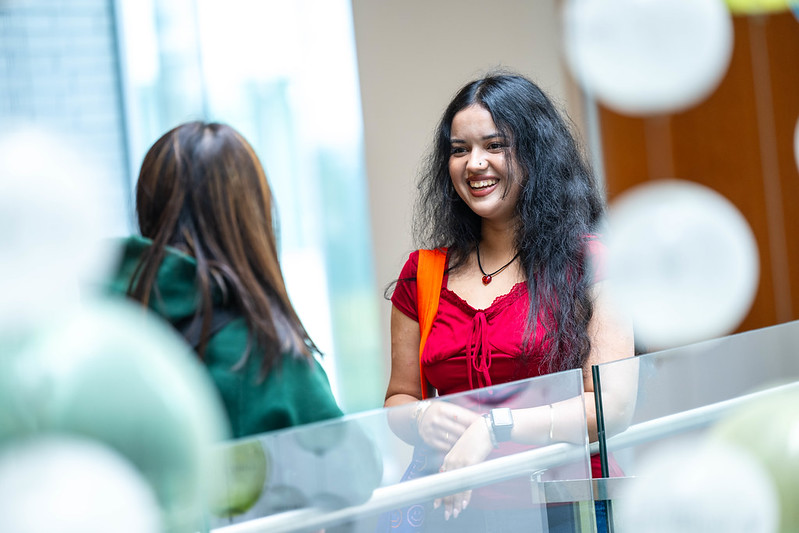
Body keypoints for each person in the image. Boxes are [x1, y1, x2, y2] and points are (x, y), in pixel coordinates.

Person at [384, 73, 636, 531]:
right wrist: (421, 416)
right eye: (459, 150)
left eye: (494, 145)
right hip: (457, 514)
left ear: (535, 153)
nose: (474, 164)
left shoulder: (593, 263)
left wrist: (494, 427)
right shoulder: (422, 273)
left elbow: (611, 407)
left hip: (566, 507)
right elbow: (399, 397)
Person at [108, 121, 344, 437]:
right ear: (253, 220)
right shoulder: (269, 362)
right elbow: (352, 469)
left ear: (148, 208)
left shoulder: (96, 335)